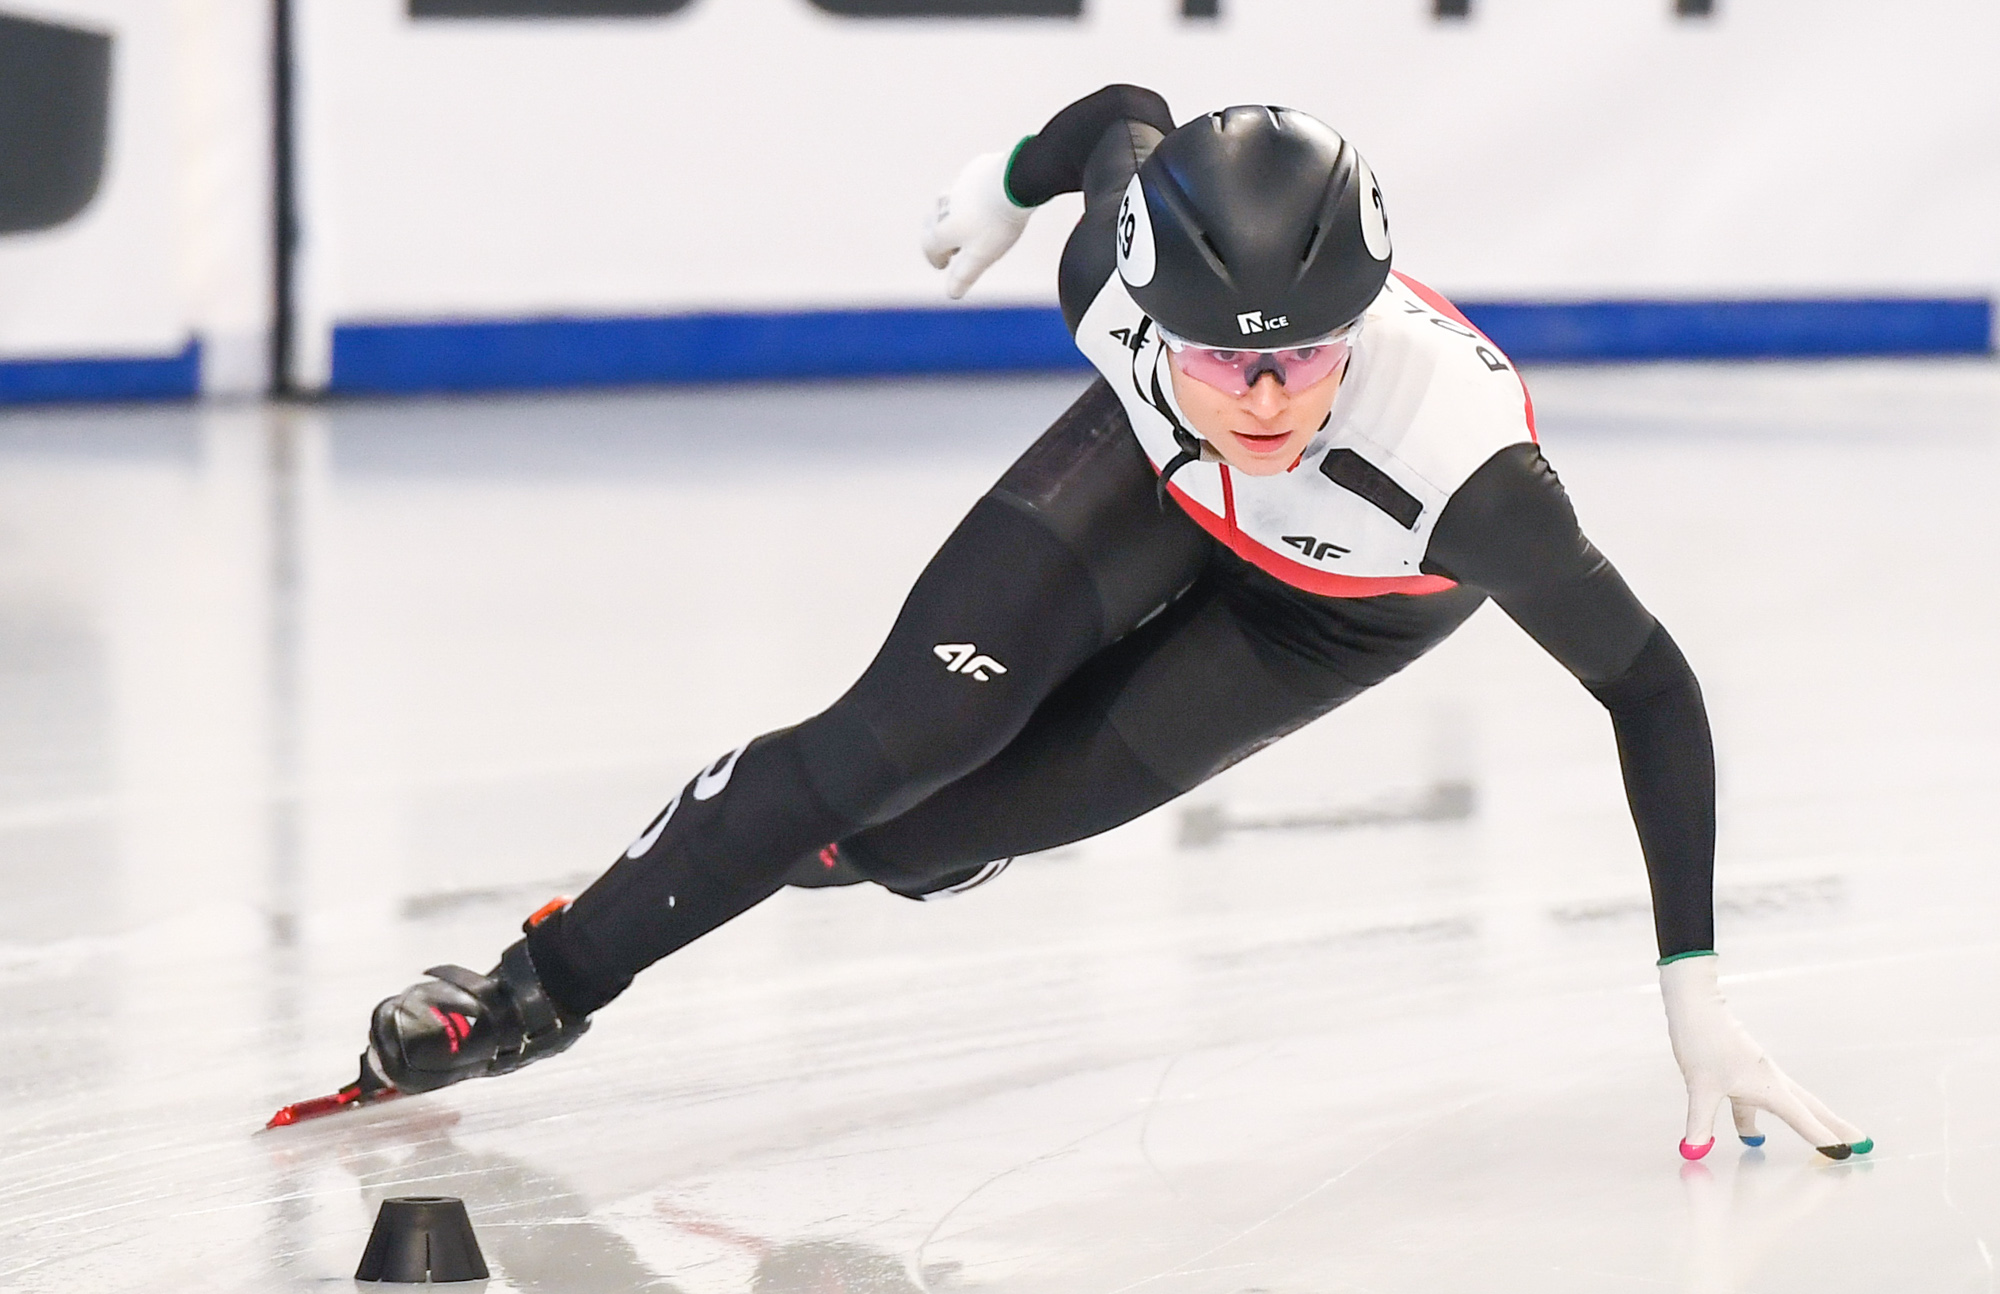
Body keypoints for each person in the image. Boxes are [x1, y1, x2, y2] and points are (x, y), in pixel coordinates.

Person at [326, 86, 1867, 1162]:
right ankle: (533, 991)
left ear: (1361, 320)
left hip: (1330, 614)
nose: (1265, 399)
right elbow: (1117, 117)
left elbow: (1651, 689)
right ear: (1147, 307)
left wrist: (1695, 993)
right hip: (1146, 482)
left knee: (913, 837)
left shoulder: (1468, 478)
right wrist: (1009, 179)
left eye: (1306, 357)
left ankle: (897, 836)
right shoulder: (1116, 286)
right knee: (893, 741)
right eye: (1223, 357)